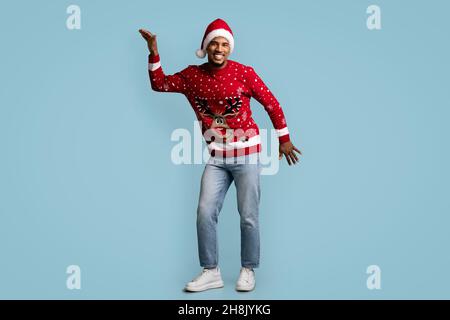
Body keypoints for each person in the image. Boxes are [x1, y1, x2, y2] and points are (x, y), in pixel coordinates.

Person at [139, 18, 301, 292]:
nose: (219, 48)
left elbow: (271, 104)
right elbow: (160, 84)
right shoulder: (192, 77)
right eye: (214, 42)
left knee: (248, 214)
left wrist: (284, 139)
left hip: (247, 155)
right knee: (205, 211)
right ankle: (211, 271)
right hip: (217, 159)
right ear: (205, 46)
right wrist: (154, 51)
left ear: (230, 48)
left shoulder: (244, 73)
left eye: (225, 43)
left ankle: (248, 269)